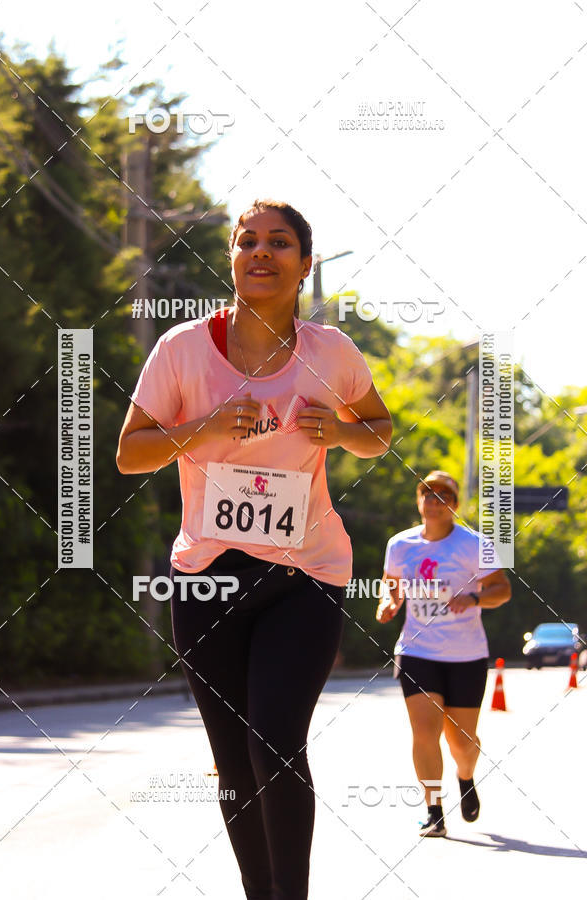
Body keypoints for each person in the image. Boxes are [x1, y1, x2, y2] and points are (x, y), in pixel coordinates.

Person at [117, 198, 392, 899]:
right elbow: (128, 454)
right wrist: (203, 427)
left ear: (305, 264)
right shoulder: (182, 349)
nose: (260, 252)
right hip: (207, 576)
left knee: (274, 742)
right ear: (232, 258)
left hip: (305, 571)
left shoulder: (331, 352)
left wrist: (342, 431)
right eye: (247, 241)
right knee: (235, 763)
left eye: (278, 242)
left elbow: (380, 430)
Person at [376, 470, 511, 837]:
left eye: (442, 496)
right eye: (427, 494)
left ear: (454, 504)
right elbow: (391, 589)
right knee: (424, 732)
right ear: (419, 501)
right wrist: (387, 605)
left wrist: (474, 598)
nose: (434, 501)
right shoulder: (400, 545)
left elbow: (503, 589)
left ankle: (465, 777)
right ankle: (434, 811)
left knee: (463, 742)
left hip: (466, 655)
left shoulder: (475, 544)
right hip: (416, 650)